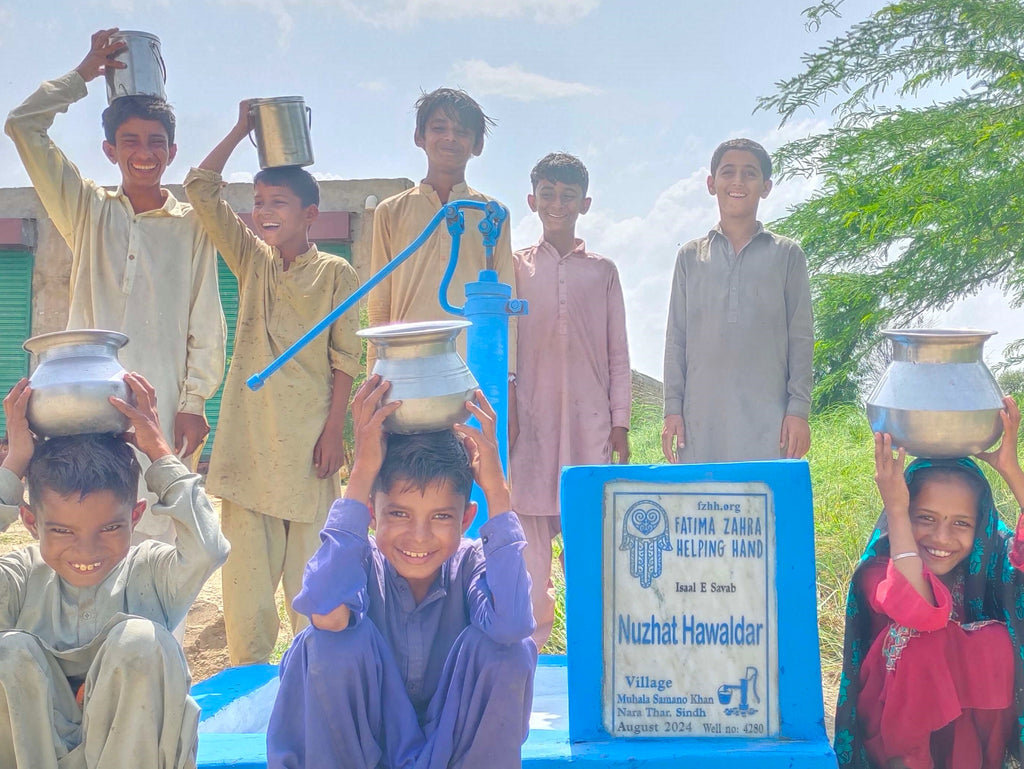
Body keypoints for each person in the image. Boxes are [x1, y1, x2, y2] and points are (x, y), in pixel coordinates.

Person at [4, 28, 226, 545]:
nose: (142, 153)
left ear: (172, 153)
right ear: (110, 150)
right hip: (82, 401)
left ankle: (149, 629)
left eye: (155, 143)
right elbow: (22, 126)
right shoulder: (87, 210)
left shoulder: (193, 226)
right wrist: (81, 76)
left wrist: (195, 401)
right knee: (85, 520)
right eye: (130, 141)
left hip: (161, 401)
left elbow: (206, 322)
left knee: (157, 531)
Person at [266, 377, 536, 769]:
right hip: (361, 755)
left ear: (466, 520)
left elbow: (512, 625)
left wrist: (498, 494)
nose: (419, 537)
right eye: (399, 514)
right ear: (372, 515)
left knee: (507, 653)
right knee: (328, 644)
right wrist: (361, 473)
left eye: (442, 516)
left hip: (448, 754)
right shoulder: (358, 561)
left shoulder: (473, 564)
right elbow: (325, 612)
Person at [183, 100, 362, 666]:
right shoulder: (252, 261)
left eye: (278, 202)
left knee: (312, 596)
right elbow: (200, 188)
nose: (264, 212)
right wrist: (240, 128)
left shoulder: (336, 273)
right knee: (246, 600)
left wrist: (335, 434)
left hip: (310, 450)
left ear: (311, 214)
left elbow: (345, 361)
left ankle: (321, 691)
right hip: (247, 451)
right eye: (258, 202)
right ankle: (251, 699)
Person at [0, 374, 230, 768]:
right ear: (30, 521)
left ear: (136, 516)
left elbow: (207, 548)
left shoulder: (151, 573)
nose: (86, 550)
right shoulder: (21, 576)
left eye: (108, 528)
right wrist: (14, 463)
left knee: (139, 639)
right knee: (10, 652)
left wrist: (159, 452)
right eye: (61, 530)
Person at [834, 398, 1024, 769]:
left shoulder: (989, 562)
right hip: (896, 741)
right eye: (925, 517)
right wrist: (896, 511)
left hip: (962, 739)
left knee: (996, 642)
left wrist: (1012, 471)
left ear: (980, 525)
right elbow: (919, 612)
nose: (941, 538)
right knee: (919, 639)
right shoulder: (881, 567)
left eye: (960, 523)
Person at [511, 152, 631, 650]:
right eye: (548, 193)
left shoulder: (601, 271)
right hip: (531, 428)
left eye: (567, 195)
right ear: (532, 199)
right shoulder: (515, 268)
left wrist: (619, 423)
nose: (556, 203)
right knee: (529, 556)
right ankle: (529, 654)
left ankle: (592, 654)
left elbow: (618, 353)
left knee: (588, 550)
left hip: (589, 427)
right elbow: (506, 350)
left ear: (585, 203)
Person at [661, 138, 812, 464]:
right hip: (700, 423)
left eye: (750, 174)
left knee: (766, 509)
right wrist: (672, 409)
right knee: (700, 509)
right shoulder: (690, 256)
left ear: (766, 186)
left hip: (769, 423)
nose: (738, 182)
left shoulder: (787, 255)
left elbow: (801, 339)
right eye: (728, 172)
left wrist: (798, 410)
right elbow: (676, 339)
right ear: (712, 184)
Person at [367, 87, 517, 379]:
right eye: (439, 128)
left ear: (478, 144)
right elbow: (379, 303)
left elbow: (505, 302)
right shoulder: (391, 211)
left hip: (473, 370)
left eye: (461, 131)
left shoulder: (493, 214)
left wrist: (507, 374)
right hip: (405, 369)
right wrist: (375, 373)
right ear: (419, 137)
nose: (450, 137)